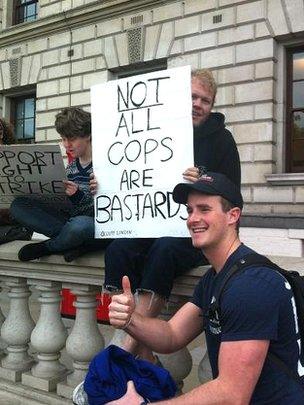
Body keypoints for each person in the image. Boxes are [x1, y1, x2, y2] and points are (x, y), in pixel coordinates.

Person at [108, 172, 304, 404]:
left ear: (233, 216)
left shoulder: (251, 285)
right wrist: (130, 319)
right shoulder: (216, 275)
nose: (193, 218)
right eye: (190, 210)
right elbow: (172, 335)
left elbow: (231, 395)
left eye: (204, 209)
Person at [103, 69, 241, 364]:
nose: (197, 104)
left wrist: (204, 178)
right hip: (152, 224)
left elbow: (232, 192)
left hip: (194, 233)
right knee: (119, 248)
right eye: (192, 96)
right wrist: (103, 182)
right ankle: (142, 351)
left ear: (212, 105)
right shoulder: (153, 129)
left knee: (164, 250)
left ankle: (127, 344)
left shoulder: (223, 140)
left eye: (205, 100)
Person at [10, 107, 110, 262]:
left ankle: (50, 246)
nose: (66, 144)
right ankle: (73, 243)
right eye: (63, 139)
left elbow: (109, 213)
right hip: (69, 223)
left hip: (95, 227)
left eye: (72, 139)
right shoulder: (70, 169)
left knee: (80, 225)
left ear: (88, 135)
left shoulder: (106, 165)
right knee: (18, 205)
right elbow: (67, 209)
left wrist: (78, 196)